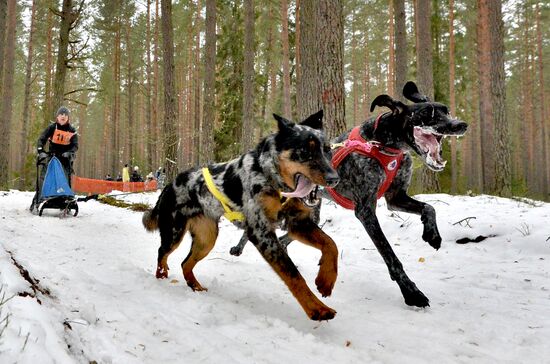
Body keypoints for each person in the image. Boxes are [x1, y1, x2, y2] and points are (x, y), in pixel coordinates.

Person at [31, 106, 78, 210]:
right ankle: (37, 202)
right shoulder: (52, 127)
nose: (63, 116)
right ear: (57, 116)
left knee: (65, 181)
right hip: (52, 158)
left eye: (65, 115)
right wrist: (41, 151)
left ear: (68, 118)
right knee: (43, 179)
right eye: (61, 114)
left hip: (65, 160)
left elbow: (75, 145)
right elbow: (41, 139)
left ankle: (66, 203)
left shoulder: (71, 130)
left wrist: (70, 152)